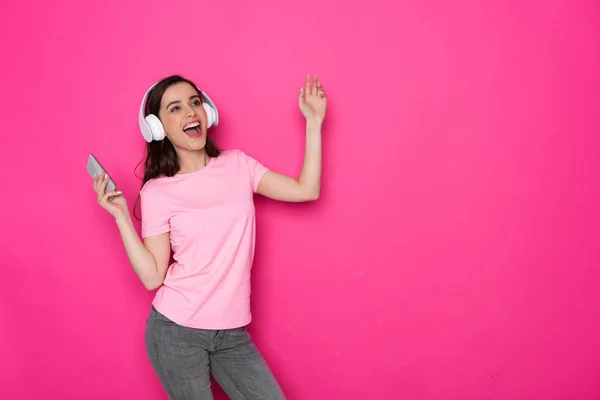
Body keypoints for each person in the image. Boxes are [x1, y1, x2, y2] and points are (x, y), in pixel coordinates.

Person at [91, 73, 327, 399]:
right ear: (157, 128)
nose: (190, 112)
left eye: (194, 102)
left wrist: (314, 123)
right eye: (175, 108)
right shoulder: (157, 192)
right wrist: (120, 216)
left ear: (208, 112)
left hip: (231, 333)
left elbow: (306, 190)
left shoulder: (238, 165)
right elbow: (151, 277)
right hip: (177, 331)